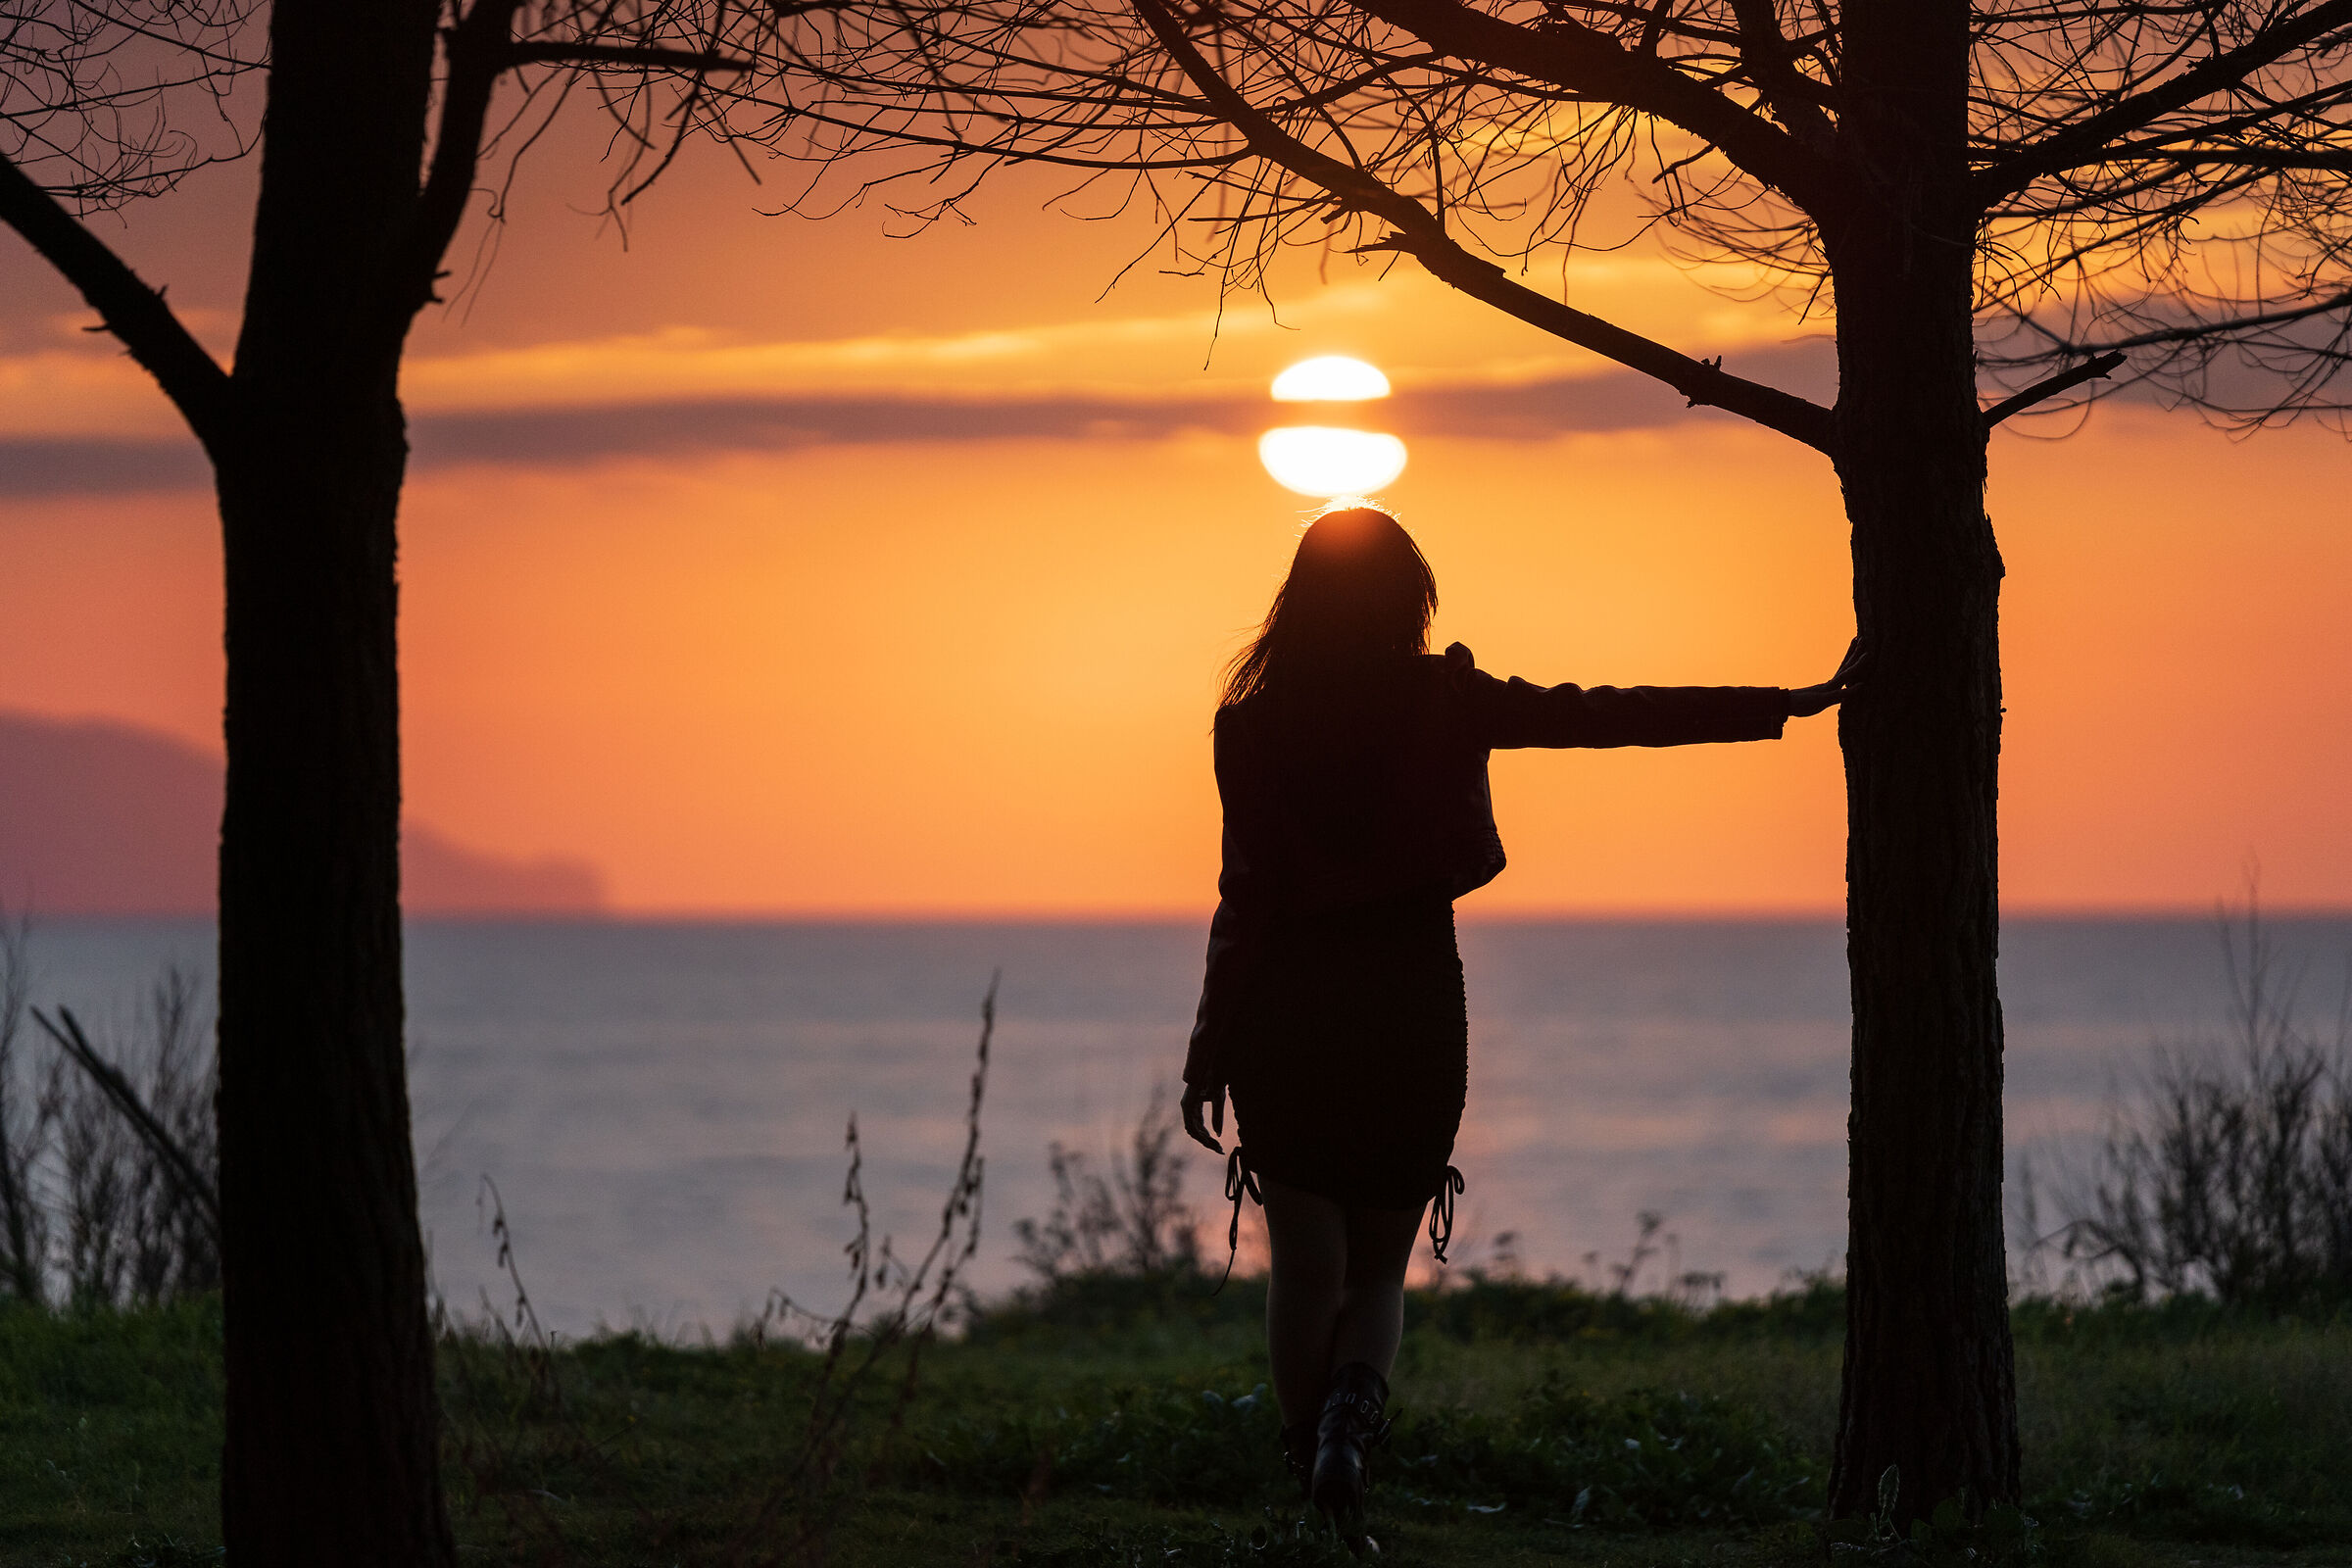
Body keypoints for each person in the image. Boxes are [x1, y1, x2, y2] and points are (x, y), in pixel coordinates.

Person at [1178, 505, 1856, 1554]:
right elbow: (1609, 714)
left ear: (1298, 601)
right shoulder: (1445, 700)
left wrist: (1208, 1051)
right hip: (1408, 1000)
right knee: (1376, 1270)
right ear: (1411, 601)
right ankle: (1348, 1444)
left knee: (1305, 1271)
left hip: (1291, 1011)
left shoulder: (1252, 724)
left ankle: (1307, 1461)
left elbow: (1247, 898)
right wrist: (1787, 702)